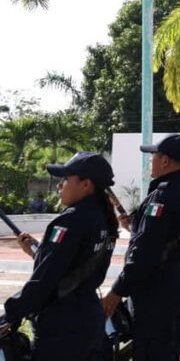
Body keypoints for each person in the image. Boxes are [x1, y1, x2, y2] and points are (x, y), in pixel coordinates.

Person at [1, 152, 117, 360]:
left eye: (65, 179)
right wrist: (38, 251)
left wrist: (11, 313)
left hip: (63, 329)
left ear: (85, 184)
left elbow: (45, 279)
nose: (59, 186)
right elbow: (73, 266)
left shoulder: (70, 221)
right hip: (89, 320)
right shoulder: (104, 219)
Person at [102, 134, 180, 360]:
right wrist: (136, 226)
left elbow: (145, 252)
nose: (151, 161)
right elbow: (173, 236)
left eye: (153, 156)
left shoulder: (163, 196)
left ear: (165, 160)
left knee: (151, 352)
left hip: (158, 288)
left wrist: (118, 290)